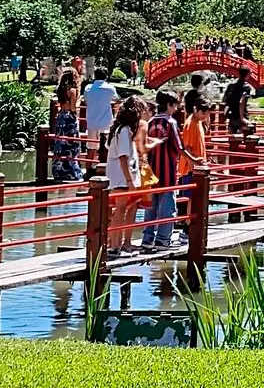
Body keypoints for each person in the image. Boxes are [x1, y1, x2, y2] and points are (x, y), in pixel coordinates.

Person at [142, 91, 200, 250]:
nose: (177, 108)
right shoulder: (170, 123)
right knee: (167, 208)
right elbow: (179, 148)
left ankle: (147, 239)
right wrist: (194, 160)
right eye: (175, 105)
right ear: (169, 105)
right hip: (167, 172)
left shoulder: (151, 121)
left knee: (151, 208)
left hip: (151, 172)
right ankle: (162, 240)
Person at [105, 97, 146, 258]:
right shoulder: (123, 131)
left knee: (120, 210)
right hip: (121, 177)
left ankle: (117, 244)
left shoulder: (120, 129)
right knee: (120, 210)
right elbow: (123, 157)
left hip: (119, 175)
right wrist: (130, 181)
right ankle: (115, 246)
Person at [178, 97, 211, 244]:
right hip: (192, 169)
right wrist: (193, 168)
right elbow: (188, 148)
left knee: (195, 199)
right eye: (203, 112)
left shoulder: (198, 123)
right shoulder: (190, 124)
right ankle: (186, 228)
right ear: (196, 109)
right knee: (191, 199)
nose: (205, 116)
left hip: (198, 167)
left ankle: (189, 227)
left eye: (207, 113)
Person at [84, 68, 120, 171]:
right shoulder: (110, 88)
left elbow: (85, 100)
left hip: (91, 121)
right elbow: (116, 98)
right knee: (106, 147)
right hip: (106, 122)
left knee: (91, 147)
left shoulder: (88, 88)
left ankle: (88, 169)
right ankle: (106, 169)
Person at [52, 70, 83, 182]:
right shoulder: (72, 91)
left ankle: (58, 170)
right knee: (71, 145)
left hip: (61, 117)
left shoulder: (60, 90)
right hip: (70, 118)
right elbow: (73, 108)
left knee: (61, 143)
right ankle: (71, 172)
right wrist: (79, 102)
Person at [223, 66, 252, 135]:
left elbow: (225, 100)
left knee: (232, 138)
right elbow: (241, 102)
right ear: (248, 74)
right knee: (244, 138)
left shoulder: (231, 85)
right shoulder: (246, 87)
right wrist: (242, 118)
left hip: (232, 115)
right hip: (242, 115)